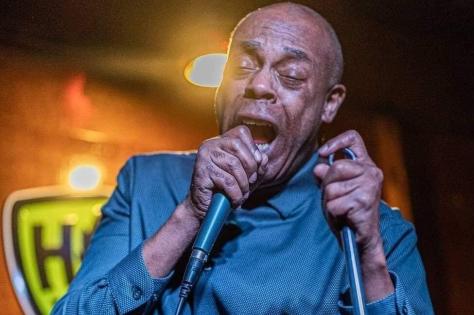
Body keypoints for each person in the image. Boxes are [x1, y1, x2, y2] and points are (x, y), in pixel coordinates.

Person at [53, 2, 433, 314]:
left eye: (292, 76)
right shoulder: (145, 182)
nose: (260, 85)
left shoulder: (376, 230)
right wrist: (187, 215)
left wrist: (369, 256)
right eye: (243, 66)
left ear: (329, 104)